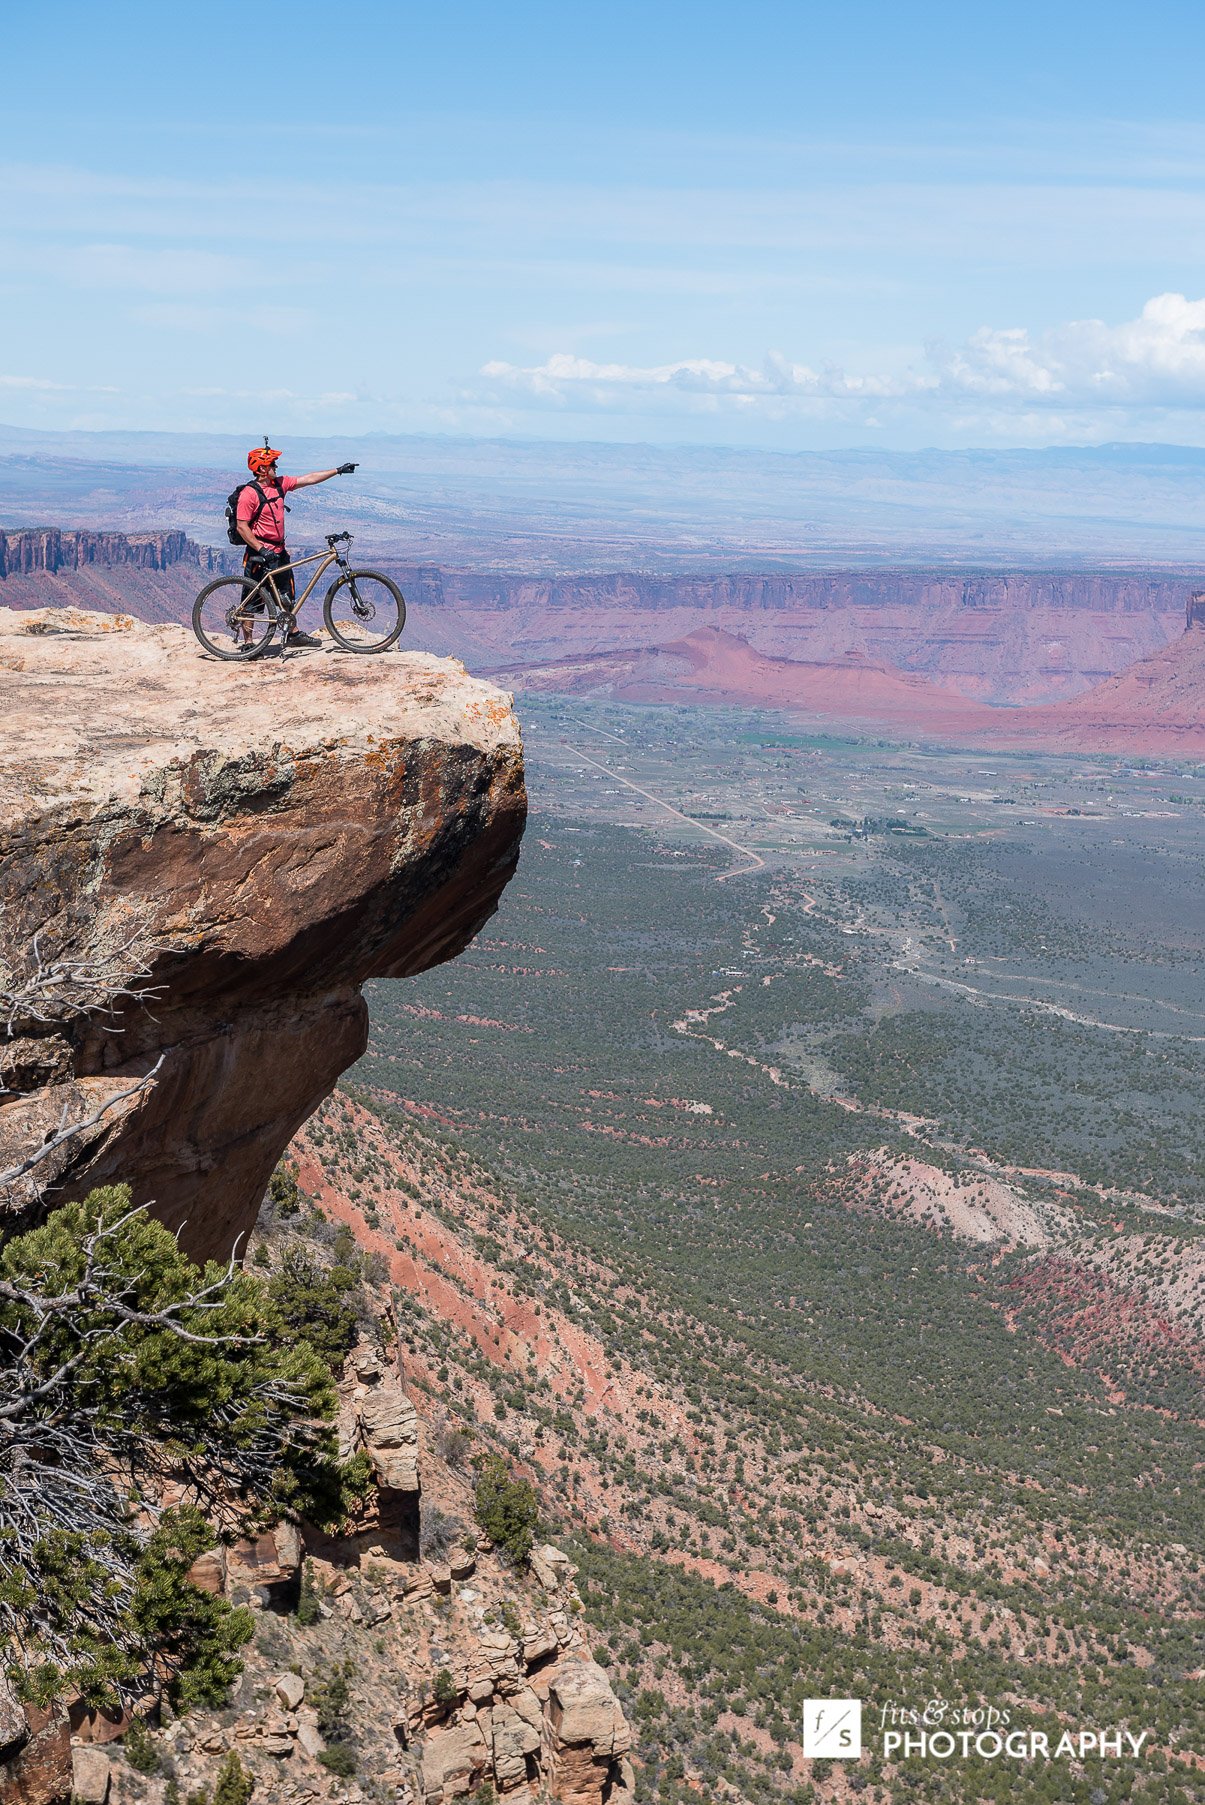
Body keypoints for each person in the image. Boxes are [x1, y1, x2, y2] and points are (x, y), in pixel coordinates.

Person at [237, 446, 358, 648]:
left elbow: (309, 479)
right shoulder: (249, 494)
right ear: (261, 469)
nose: (276, 466)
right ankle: (249, 643)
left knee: (286, 595)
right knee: (252, 599)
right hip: (259, 554)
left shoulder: (279, 484)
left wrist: (337, 471)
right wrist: (261, 549)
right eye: (272, 464)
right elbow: (242, 526)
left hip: (279, 552)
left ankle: (292, 634)